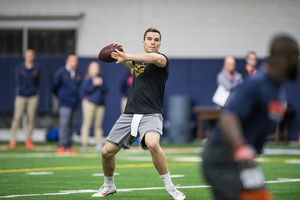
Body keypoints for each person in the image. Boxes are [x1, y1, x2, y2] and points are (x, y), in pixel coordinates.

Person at [91, 28, 186, 200]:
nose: (152, 42)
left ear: (159, 44)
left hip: (151, 114)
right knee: (106, 152)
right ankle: (109, 185)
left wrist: (127, 56)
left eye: (156, 40)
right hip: (130, 114)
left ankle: (171, 187)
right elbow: (129, 62)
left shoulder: (161, 59)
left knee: (152, 143)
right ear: (143, 42)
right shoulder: (136, 61)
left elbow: (153, 58)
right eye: (149, 39)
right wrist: (119, 53)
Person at [202, 34, 299, 200]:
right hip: (222, 159)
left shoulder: (276, 86)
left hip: (243, 162)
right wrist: (241, 147)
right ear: (288, 60)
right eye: (297, 57)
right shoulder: (258, 83)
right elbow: (228, 118)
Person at [9, 49, 41, 149]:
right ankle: (13, 140)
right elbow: (18, 80)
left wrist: (33, 91)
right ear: (24, 56)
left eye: (31, 55)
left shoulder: (37, 68)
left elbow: (37, 81)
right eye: (27, 55)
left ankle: (29, 140)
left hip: (33, 96)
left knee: (31, 119)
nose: (29, 57)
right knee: (17, 118)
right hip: (21, 96)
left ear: (33, 56)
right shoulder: (20, 68)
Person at [52, 55, 82, 154]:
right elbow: (54, 87)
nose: (74, 62)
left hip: (75, 103)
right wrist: (62, 96)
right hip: (65, 103)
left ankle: (68, 145)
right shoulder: (61, 72)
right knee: (64, 124)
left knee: (72, 125)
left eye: (75, 60)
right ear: (67, 61)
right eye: (72, 60)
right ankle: (62, 145)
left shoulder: (78, 73)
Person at [80, 61, 108, 151]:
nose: (95, 69)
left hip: (100, 104)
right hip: (89, 103)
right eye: (93, 67)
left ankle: (99, 143)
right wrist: (94, 84)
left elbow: (106, 89)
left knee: (98, 125)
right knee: (87, 124)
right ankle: (84, 143)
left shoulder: (101, 78)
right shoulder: (87, 78)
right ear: (89, 69)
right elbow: (85, 90)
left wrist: (101, 83)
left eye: (97, 67)